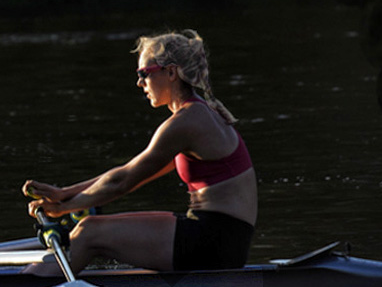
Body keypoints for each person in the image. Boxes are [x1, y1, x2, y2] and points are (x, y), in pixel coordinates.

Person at [22, 29, 257, 274]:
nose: (139, 83)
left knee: (89, 232)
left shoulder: (187, 122)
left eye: (144, 73)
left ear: (171, 72)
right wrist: (64, 194)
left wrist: (63, 209)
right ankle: (41, 281)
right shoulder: (200, 114)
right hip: (223, 239)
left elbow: (122, 183)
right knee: (88, 229)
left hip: (214, 242)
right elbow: (126, 172)